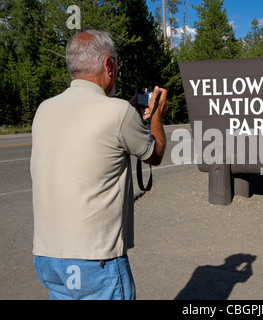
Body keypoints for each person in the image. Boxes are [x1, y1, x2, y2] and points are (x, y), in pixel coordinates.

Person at [30, 30, 169, 300]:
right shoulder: (117, 112)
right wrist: (157, 116)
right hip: (95, 259)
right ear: (108, 65)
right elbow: (155, 154)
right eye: (115, 62)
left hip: (48, 257)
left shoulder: (44, 109)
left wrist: (128, 113)